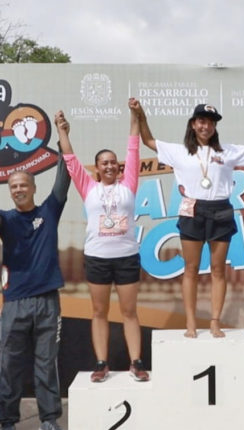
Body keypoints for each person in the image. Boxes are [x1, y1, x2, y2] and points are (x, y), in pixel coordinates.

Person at [130, 99, 244, 338]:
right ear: (193, 123)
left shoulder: (226, 151)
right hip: (192, 210)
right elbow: (148, 140)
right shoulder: (179, 151)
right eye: (201, 121)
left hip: (220, 210)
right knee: (191, 268)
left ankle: (215, 321)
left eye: (210, 123)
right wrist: (141, 114)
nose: (206, 126)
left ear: (214, 127)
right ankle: (190, 323)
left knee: (218, 270)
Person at [0, 112, 71, 430]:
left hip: (48, 300)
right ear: (11, 191)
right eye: (14, 186)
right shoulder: (3, 219)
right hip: (14, 302)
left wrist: (62, 134)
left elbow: (65, 173)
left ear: (34, 188)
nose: (19, 189)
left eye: (24, 185)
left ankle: (49, 420)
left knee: (46, 365)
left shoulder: (49, 211)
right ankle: (7, 424)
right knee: (10, 366)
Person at [59, 103, 149, 383]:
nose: (110, 165)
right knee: (99, 311)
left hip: (126, 257)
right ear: (97, 168)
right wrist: (62, 131)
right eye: (104, 163)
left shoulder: (128, 185)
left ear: (119, 166)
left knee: (129, 312)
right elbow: (70, 160)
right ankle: (101, 363)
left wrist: (135, 117)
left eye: (113, 162)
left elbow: (133, 147)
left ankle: (136, 362)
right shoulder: (88, 187)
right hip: (97, 257)